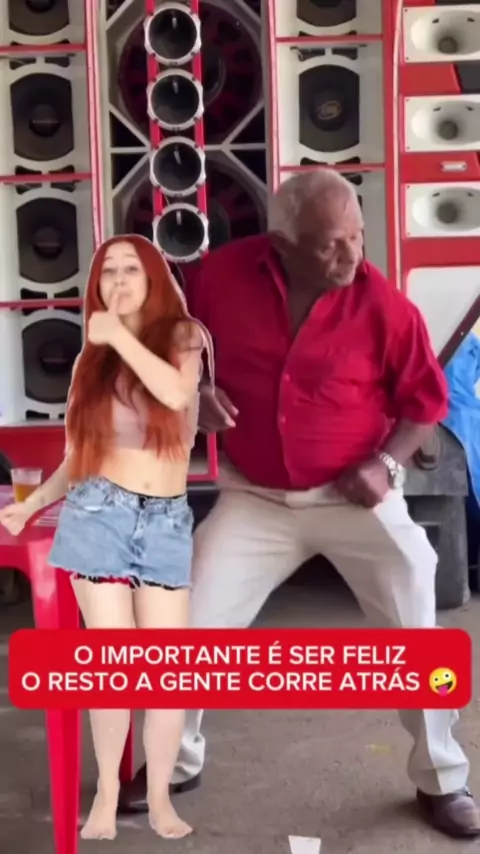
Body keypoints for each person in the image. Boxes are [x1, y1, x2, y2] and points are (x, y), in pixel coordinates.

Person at [118, 170, 480, 839]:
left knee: (415, 607)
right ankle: (172, 760)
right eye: (330, 245)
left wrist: (387, 464)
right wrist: (192, 393)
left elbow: (425, 404)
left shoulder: (384, 306)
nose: (352, 256)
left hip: (355, 499)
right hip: (256, 498)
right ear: (280, 245)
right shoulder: (219, 279)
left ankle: (443, 778)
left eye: (357, 237)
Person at [0, 235, 213, 841]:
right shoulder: (89, 361)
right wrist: (32, 504)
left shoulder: (184, 336)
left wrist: (117, 337)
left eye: (130, 271)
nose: (118, 282)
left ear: (153, 279)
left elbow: (175, 393)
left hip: (165, 519)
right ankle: (107, 796)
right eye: (107, 273)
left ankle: (160, 797)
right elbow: (81, 457)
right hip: (97, 512)